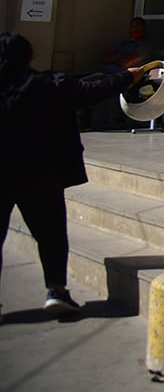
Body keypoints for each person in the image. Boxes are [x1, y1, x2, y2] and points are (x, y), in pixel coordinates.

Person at [1, 32, 145, 318]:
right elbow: (89, 93)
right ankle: (57, 291)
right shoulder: (46, 85)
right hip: (38, 173)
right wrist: (129, 77)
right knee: (51, 234)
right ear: (28, 57)